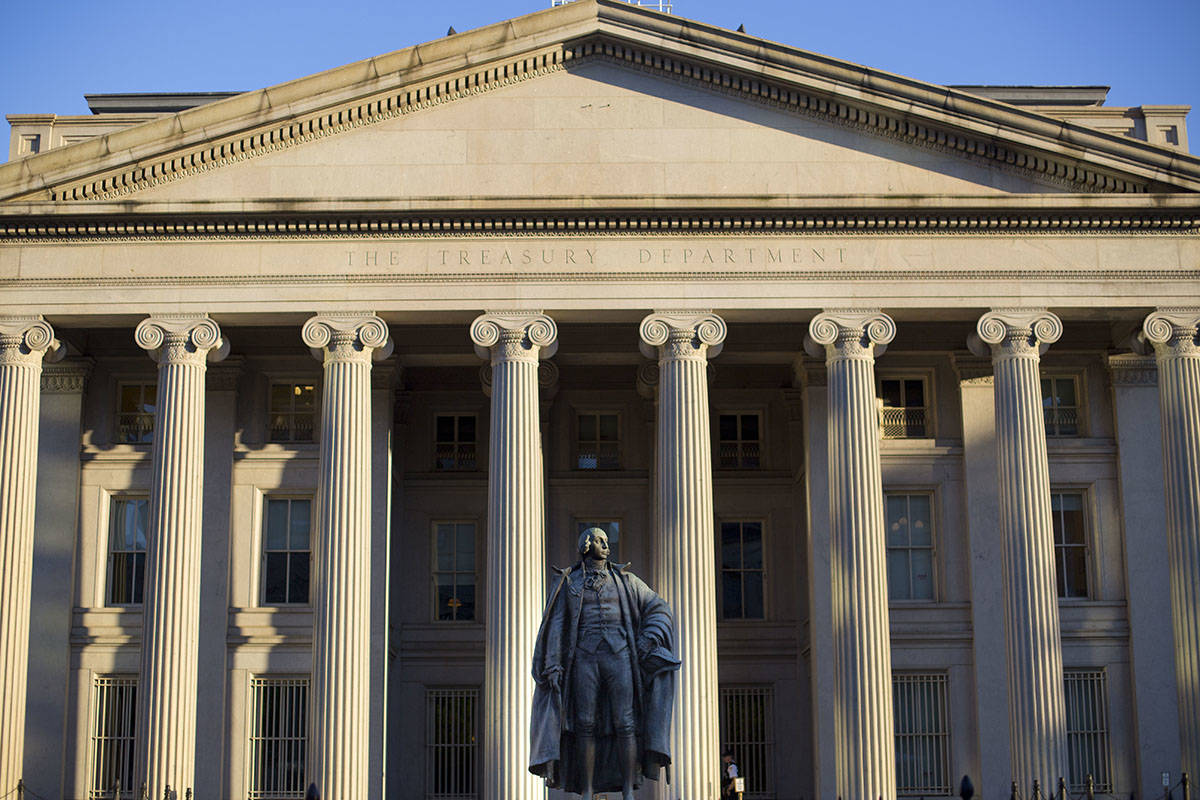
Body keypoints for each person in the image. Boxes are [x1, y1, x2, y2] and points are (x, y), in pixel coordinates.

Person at [529, 528, 680, 799]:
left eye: (606, 541)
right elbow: (557, 624)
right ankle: (586, 791)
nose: (606, 545)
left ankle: (627, 790)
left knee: (626, 723)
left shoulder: (627, 581)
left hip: (620, 656)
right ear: (586, 546)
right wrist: (552, 663)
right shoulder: (570, 583)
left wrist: (649, 638)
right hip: (584, 658)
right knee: (584, 723)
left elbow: (659, 607)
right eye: (600, 540)